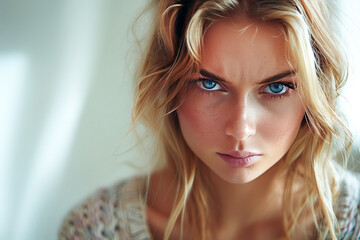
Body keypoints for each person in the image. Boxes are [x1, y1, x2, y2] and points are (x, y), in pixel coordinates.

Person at [59, 0, 360, 239]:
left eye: (277, 87)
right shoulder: (98, 229)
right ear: (167, 85)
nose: (240, 129)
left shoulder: (353, 222)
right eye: (209, 84)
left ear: (314, 94)